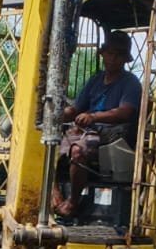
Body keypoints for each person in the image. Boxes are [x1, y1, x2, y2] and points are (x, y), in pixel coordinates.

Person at [51, 29, 143, 219]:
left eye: (118, 55)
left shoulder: (130, 83)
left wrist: (94, 117)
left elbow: (125, 112)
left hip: (112, 134)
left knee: (78, 151)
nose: (112, 59)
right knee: (46, 143)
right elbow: (76, 109)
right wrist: (56, 116)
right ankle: (54, 193)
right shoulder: (95, 80)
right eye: (110, 53)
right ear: (103, 54)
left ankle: (73, 203)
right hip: (86, 129)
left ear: (124, 59)